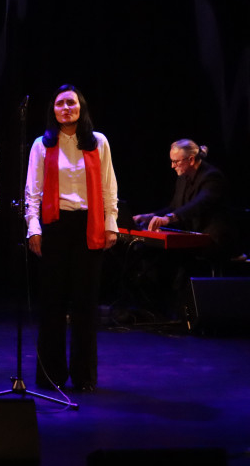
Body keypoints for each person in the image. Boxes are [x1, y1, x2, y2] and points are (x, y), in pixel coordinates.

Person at [25, 85, 118, 392]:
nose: (66, 108)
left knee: (85, 304)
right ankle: (50, 375)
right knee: (51, 303)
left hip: (88, 225)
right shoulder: (42, 144)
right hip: (54, 225)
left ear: (81, 107)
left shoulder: (98, 142)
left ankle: (84, 377)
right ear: (53, 110)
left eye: (71, 103)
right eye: (60, 104)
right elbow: (32, 192)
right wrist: (33, 227)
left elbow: (108, 187)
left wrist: (111, 223)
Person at [134, 139, 235, 256]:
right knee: (146, 250)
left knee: (167, 255)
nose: (172, 166)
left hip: (214, 240)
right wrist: (148, 217)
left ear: (191, 160)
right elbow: (174, 207)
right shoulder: (183, 177)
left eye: (176, 162)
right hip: (192, 236)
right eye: (172, 161)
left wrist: (169, 218)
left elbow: (199, 204)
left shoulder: (212, 176)